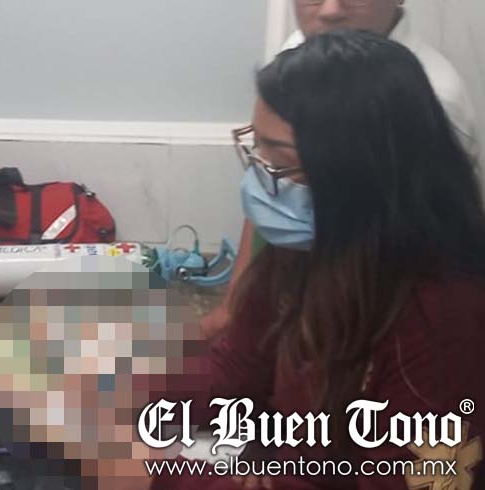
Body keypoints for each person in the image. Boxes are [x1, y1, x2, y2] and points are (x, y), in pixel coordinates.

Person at [151, 30, 485, 489]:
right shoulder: (305, 249)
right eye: (256, 148)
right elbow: (236, 373)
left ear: (358, 171)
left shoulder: (445, 316)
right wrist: (114, 392)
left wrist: (161, 477)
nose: (261, 177)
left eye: (279, 160)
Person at [201, 0, 480, 338]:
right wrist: (234, 305)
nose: (330, 10)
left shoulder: (433, 100)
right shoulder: (308, 47)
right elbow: (272, 175)